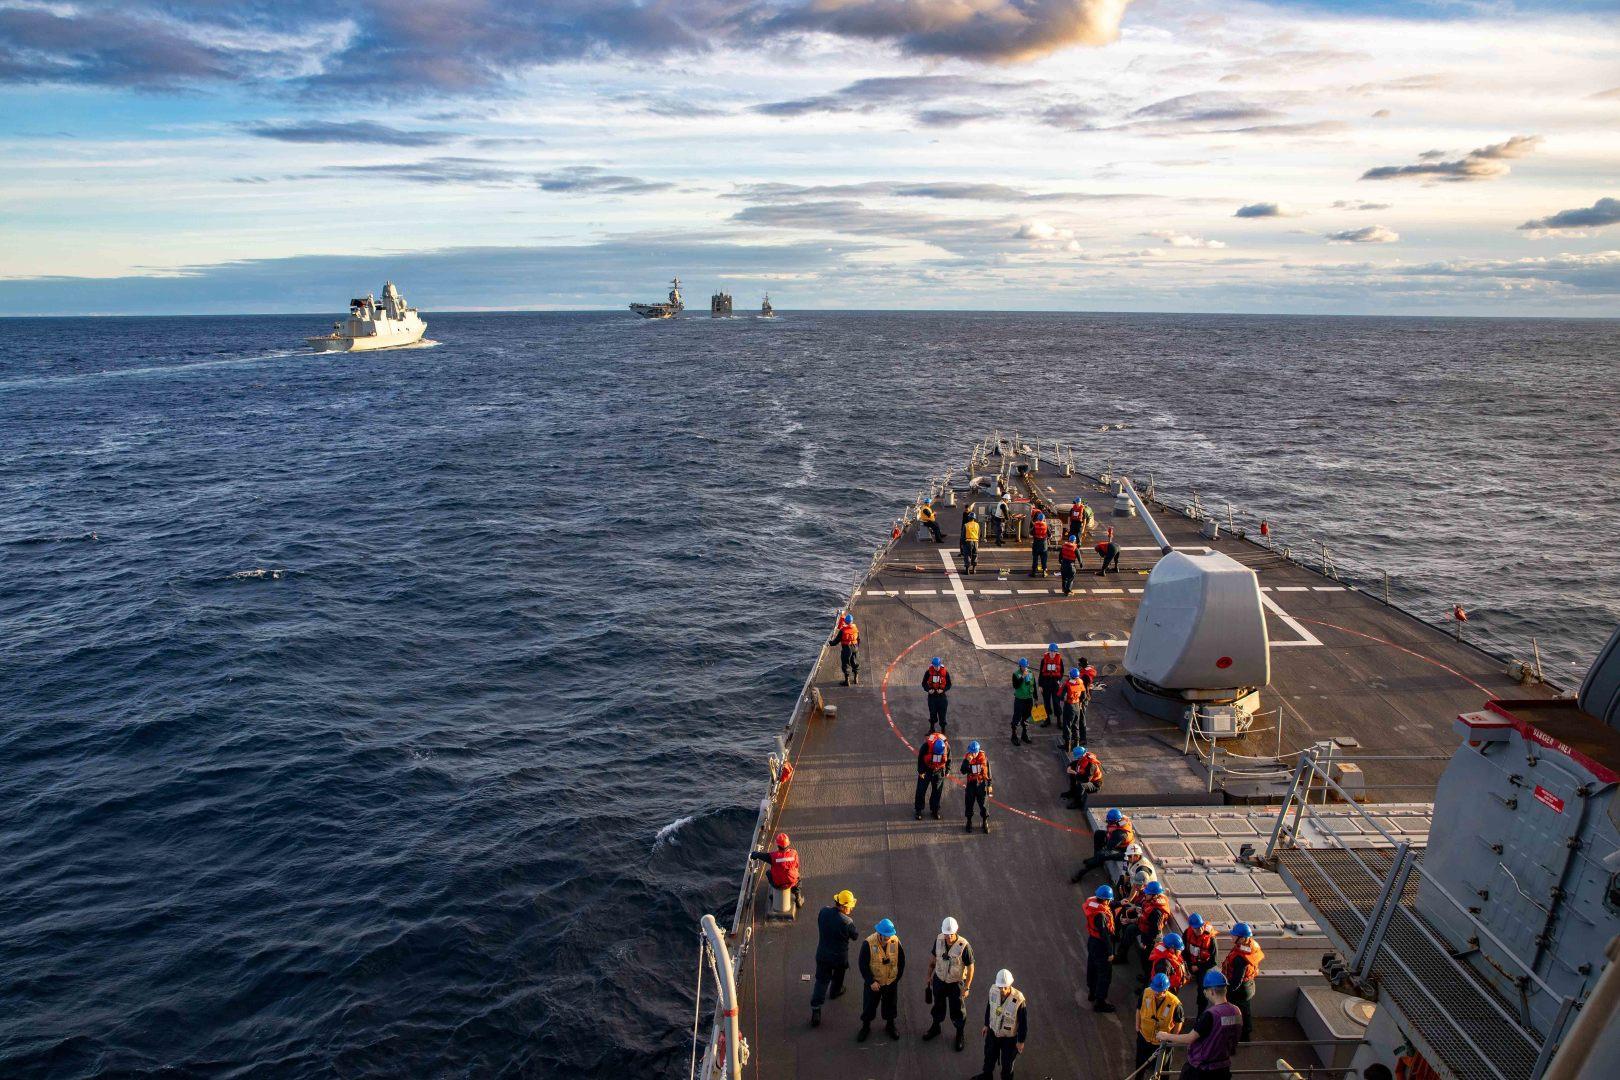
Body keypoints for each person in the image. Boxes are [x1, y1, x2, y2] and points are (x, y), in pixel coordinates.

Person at [1158, 971, 1243, 1080]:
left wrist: (1166, 1036)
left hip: (1201, 1070)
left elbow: (1190, 1038)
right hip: (1223, 1068)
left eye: (1205, 990)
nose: (1205, 993)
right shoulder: (1236, 1011)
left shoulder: (1210, 1015)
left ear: (1212, 991)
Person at [924, 916, 975, 1051]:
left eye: (950, 934)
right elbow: (933, 959)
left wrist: (967, 986)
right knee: (938, 1006)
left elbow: (970, 968)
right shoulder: (939, 939)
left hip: (955, 984)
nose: (948, 937)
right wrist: (929, 975)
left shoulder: (964, 946)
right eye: (946, 934)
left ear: (956, 932)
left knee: (957, 1010)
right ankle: (936, 1027)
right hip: (939, 980)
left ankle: (959, 1033)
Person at [811, 890, 859, 1027]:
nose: (851, 908)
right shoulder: (847, 922)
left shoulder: (824, 912)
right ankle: (835, 991)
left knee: (821, 981)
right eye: (850, 906)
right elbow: (855, 936)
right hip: (839, 957)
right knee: (838, 976)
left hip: (823, 954)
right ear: (843, 906)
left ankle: (816, 1010)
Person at [974, 969, 1027, 1080]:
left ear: (1010, 984)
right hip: (993, 1033)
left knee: (1007, 1064)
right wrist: (986, 1025)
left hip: (1009, 1038)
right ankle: (987, 1076)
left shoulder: (1019, 1000)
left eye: (1005, 987)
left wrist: (1021, 1041)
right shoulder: (993, 990)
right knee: (989, 1057)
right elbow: (990, 1007)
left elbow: (1023, 1023)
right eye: (1000, 987)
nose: (1002, 990)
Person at [857, 918, 905, 1042]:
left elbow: (901, 962)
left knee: (891, 1005)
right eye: (885, 937)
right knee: (869, 1006)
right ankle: (865, 1027)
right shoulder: (868, 943)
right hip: (874, 984)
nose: (888, 939)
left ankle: (890, 1025)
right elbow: (862, 965)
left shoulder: (895, 941)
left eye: (889, 936)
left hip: (890, 982)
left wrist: (895, 979)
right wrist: (870, 981)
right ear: (879, 934)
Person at [1221, 924, 1263, 1042]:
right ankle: (1245, 1034)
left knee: (1236, 1012)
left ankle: (1240, 1036)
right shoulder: (1248, 946)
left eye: (1234, 935)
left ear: (1242, 938)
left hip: (1240, 990)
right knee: (1245, 1011)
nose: (1231, 936)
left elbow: (1236, 981)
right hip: (1248, 985)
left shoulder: (1241, 958)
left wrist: (1227, 991)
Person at [1136, 972, 1185, 1070]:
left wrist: (1172, 1038)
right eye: (1155, 990)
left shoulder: (1175, 1003)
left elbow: (1179, 1021)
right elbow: (1138, 1009)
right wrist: (1137, 1026)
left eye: (1160, 991)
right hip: (1144, 1037)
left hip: (1162, 1043)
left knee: (1162, 1069)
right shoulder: (1146, 993)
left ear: (1166, 989)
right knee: (1140, 1066)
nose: (1156, 993)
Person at [1128, 881, 1174, 981]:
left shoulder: (1156, 912)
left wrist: (1145, 943)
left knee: (1147, 960)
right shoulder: (1150, 902)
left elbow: (1154, 931)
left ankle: (1147, 980)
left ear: (1154, 895)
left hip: (1151, 938)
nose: (1145, 894)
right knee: (1130, 931)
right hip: (1146, 931)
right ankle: (1146, 976)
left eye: (1148, 893)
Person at [1073, 807, 1133, 881]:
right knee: (1098, 834)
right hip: (1116, 842)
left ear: (1115, 821)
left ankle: (1083, 872)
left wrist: (1102, 853)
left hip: (1123, 851)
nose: (1107, 822)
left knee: (1102, 854)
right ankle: (1096, 859)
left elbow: (1108, 848)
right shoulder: (1122, 819)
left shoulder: (1120, 834)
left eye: (1109, 821)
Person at [1083, 885, 1118, 1012]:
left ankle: (1092, 993)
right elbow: (1104, 934)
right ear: (1106, 900)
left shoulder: (1093, 904)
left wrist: (1120, 903)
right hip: (1101, 945)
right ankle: (1100, 1002)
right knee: (1104, 974)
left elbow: (1107, 906)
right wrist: (1110, 952)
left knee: (1092, 967)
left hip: (1092, 942)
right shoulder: (1101, 916)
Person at [749, 831, 803, 910]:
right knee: (798, 879)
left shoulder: (773, 856)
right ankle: (798, 898)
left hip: (778, 884)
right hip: (792, 882)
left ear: (778, 845)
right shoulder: (794, 853)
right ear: (788, 844)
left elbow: (761, 856)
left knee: (768, 873)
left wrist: (754, 854)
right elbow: (797, 866)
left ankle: (775, 894)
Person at [1182, 914, 1219, 1016]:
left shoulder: (1211, 939)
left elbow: (1213, 961)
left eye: (1201, 926)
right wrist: (1187, 966)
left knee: (1203, 991)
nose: (1200, 929)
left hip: (1204, 966)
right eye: (1196, 928)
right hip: (1190, 963)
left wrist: (1198, 967)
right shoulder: (1187, 933)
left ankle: (1200, 1015)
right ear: (1191, 927)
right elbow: (1183, 952)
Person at [914, 731, 951, 820]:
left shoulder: (946, 747)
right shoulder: (926, 746)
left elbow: (949, 759)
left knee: (937, 791)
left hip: (939, 770)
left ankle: (935, 809)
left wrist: (947, 770)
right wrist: (921, 771)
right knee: (921, 790)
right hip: (927, 770)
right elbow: (920, 759)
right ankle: (918, 810)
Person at [961, 739, 992, 833]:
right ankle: (969, 821)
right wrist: (967, 761)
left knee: (984, 804)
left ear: (978, 751)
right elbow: (962, 771)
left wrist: (989, 784)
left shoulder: (984, 758)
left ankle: (985, 821)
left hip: (981, 784)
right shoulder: (967, 758)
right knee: (969, 803)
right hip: (971, 784)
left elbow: (988, 771)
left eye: (974, 752)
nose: (972, 754)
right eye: (971, 752)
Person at [1062, 745, 1103, 810]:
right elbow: (1076, 763)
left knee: (1081, 784)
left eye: (1078, 758)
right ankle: (1072, 792)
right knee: (1072, 774)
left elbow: (1086, 779)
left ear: (1082, 756)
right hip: (1087, 778)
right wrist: (1070, 766)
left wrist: (1075, 773)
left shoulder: (1091, 765)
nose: (1077, 759)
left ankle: (1078, 802)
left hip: (1095, 784)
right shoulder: (1084, 757)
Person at [1058, 669, 1088, 752]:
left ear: (1070, 675)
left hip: (1069, 706)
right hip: (1077, 706)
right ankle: (1076, 744)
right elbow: (1084, 696)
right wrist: (1080, 702)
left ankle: (1067, 746)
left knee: (1067, 725)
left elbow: (1062, 697)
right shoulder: (1081, 682)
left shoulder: (1067, 684)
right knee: (1076, 725)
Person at [922, 656, 952, 733]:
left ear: (940, 664)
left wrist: (943, 690)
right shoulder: (928, 672)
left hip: (942, 697)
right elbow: (923, 683)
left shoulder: (945, 673)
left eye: (937, 666)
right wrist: (928, 690)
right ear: (932, 665)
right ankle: (932, 729)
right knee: (932, 714)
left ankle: (943, 730)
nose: (936, 668)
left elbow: (949, 684)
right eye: (934, 666)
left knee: (942, 715)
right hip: (932, 697)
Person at [1010, 659, 1035, 745]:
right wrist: (1023, 677)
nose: (1025, 668)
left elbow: (1033, 685)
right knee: (1016, 717)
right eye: (1024, 666)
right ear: (1020, 666)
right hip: (1019, 699)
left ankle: (1024, 735)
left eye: (1026, 666)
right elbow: (1015, 686)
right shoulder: (1016, 674)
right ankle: (1014, 736)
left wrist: (1036, 698)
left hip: (1028, 699)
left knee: (1026, 718)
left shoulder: (1031, 673)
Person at [1037, 643, 1064, 725]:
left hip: (1055, 683)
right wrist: (1040, 685)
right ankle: (1047, 719)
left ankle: (1059, 720)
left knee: (1056, 702)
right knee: (1046, 702)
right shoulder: (1043, 660)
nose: (1052, 653)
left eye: (1054, 652)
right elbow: (1041, 674)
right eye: (1051, 652)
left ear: (1056, 652)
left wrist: (1059, 679)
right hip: (1046, 683)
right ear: (1048, 651)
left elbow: (1062, 671)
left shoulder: (1060, 660)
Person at [830, 613, 860, 685]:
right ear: (852, 621)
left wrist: (830, 643)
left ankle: (847, 681)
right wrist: (857, 647)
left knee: (846, 664)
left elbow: (836, 641)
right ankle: (856, 679)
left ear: (845, 622)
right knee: (855, 663)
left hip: (846, 649)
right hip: (855, 648)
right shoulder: (855, 629)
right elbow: (858, 639)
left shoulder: (843, 630)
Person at [1028, 511, 1050, 577]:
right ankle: (1044, 572)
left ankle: (1034, 572)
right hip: (1044, 544)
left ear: (1038, 518)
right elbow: (1049, 535)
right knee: (1044, 559)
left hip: (1036, 544)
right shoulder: (1046, 526)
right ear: (1044, 519)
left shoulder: (1035, 525)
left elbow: (1031, 533)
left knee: (1035, 558)